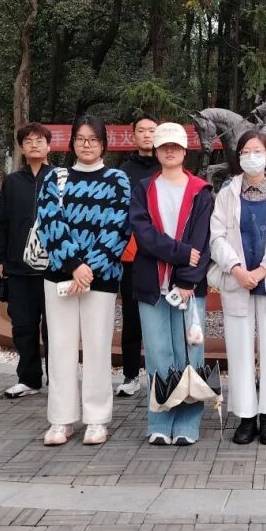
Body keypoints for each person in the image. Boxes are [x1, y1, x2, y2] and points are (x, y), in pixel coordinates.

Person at [36, 114, 131, 446]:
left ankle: (96, 419)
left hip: (100, 279)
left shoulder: (117, 180)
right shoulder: (54, 178)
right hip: (60, 276)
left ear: (103, 144)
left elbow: (118, 227)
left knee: (97, 348)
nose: (86, 144)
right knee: (60, 348)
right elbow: (50, 223)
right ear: (72, 142)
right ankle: (61, 420)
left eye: (93, 139)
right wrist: (74, 265)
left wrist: (89, 268)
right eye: (80, 138)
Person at [210, 130, 266, 445]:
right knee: (239, 350)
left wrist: (262, 270)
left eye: (257, 151)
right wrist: (236, 268)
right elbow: (217, 236)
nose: (251, 156)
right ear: (239, 156)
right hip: (237, 281)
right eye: (245, 151)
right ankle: (246, 416)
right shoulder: (227, 193)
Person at [129, 122, 214, 446]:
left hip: (189, 288)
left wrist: (187, 280)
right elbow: (144, 235)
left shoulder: (200, 190)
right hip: (152, 285)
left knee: (190, 351)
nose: (169, 151)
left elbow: (203, 242)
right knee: (158, 353)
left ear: (184, 150)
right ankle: (160, 419)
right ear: (156, 150)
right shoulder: (144, 188)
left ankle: (188, 421)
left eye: (175, 146)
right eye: (164, 146)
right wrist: (180, 253)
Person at [0, 122, 53, 400]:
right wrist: (1, 258)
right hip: (18, 268)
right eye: (28, 141)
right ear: (21, 148)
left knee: (55, 328)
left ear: (49, 145)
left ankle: (58, 379)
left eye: (39, 140)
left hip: (54, 269)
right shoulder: (12, 182)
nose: (34, 145)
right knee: (23, 327)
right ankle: (29, 379)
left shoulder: (61, 179)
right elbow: (0, 223)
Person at [116, 113, 160, 397]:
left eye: (151, 130)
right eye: (141, 131)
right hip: (131, 254)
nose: (146, 135)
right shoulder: (123, 171)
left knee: (161, 317)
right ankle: (130, 375)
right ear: (133, 136)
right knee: (132, 317)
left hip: (162, 255)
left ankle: (161, 375)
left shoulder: (167, 166)